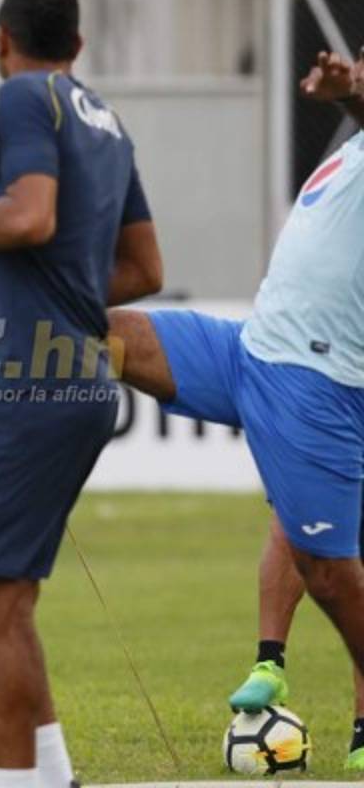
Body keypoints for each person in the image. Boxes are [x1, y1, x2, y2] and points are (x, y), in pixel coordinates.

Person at [0, 0, 163, 786]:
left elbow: (30, 218)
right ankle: (53, 775)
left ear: (1, 39)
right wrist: (11, 296)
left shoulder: (24, 95)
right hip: (79, 371)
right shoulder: (106, 119)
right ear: (78, 44)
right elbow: (144, 270)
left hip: (42, 382)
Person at [106, 47, 364, 769]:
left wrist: (349, 93)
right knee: (100, 331)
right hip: (249, 350)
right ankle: (270, 662)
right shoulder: (349, 154)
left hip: (319, 384)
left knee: (332, 570)